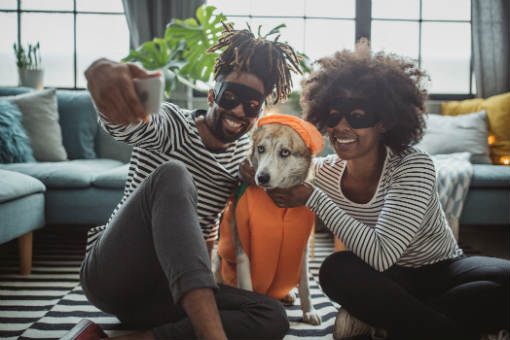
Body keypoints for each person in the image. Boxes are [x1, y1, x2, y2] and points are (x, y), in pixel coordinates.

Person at [62, 24, 303, 340]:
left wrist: (261, 180)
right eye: (230, 97)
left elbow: (209, 233)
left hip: (167, 291)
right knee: (174, 174)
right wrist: (104, 75)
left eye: (251, 105)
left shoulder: (244, 158)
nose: (238, 111)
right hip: (113, 274)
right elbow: (127, 125)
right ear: (211, 94)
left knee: (271, 315)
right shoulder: (172, 124)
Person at [256, 40, 510, 340]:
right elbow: (273, 174)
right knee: (335, 269)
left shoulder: (413, 166)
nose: (342, 127)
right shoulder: (324, 172)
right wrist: (250, 165)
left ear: (385, 122)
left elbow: (381, 252)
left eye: (358, 115)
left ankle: (399, 322)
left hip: (442, 268)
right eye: (334, 116)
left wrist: (314, 199)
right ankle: (438, 327)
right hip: (385, 280)